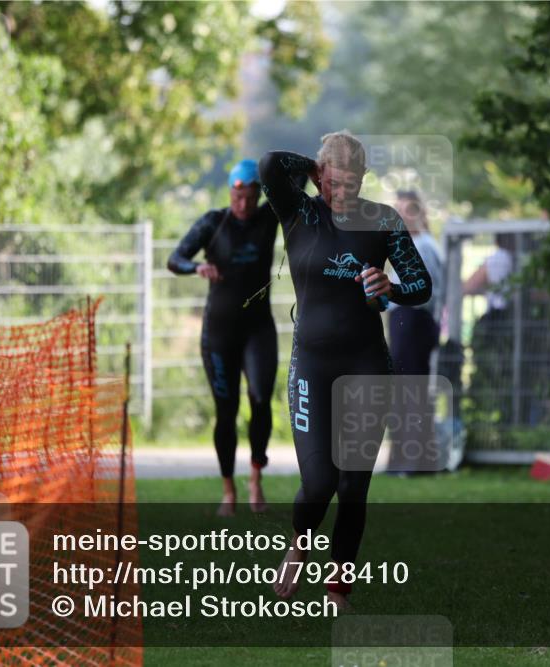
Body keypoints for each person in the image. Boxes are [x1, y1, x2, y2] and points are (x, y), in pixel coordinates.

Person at [258, 131, 432, 611]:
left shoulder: (382, 219)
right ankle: (300, 541)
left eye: (353, 183)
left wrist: (389, 286)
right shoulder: (300, 212)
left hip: (366, 365)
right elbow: (271, 162)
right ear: (319, 176)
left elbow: (420, 285)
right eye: (334, 182)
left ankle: (337, 591)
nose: (342, 193)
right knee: (319, 485)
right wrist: (314, 168)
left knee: (353, 487)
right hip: (312, 364)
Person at [167, 159, 278, 517]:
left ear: (258, 194)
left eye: (249, 196)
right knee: (225, 412)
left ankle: (255, 479)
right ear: (229, 191)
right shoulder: (214, 222)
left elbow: (296, 185)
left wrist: (311, 170)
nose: (243, 204)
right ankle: (228, 490)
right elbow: (175, 258)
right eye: (237, 196)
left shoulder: (269, 217)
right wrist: (196, 267)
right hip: (219, 334)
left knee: (261, 400)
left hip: (258, 330)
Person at [385, 190, 445, 473]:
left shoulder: (423, 246)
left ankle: (415, 460)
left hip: (414, 322)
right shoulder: (407, 245)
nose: (402, 216)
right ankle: (403, 458)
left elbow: (425, 293)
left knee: (412, 392)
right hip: (403, 321)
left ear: (420, 213)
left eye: (408, 210)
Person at [463, 233, 517, 434]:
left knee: (494, 373)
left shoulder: (497, 258)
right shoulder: (524, 258)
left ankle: (494, 421)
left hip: (499, 322)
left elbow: (468, 286)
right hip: (516, 319)